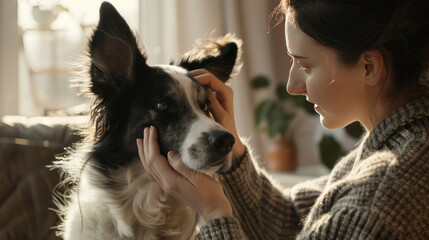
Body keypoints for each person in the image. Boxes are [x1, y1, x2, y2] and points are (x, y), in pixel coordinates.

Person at [137, 0, 429, 239]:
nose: (292, 85)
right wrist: (234, 152)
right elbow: (291, 222)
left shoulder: (383, 195)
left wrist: (215, 216)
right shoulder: (395, 148)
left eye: (305, 65)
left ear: (368, 67)